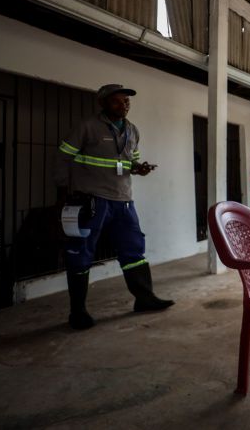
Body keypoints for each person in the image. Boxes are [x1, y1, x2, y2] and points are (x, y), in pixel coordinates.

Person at [55, 84, 174, 330]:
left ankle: (144, 298)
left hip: (123, 200)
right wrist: (63, 193)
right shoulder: (87, 126)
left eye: (127, 102)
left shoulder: (132, 131)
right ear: (103, 103)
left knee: (133, 250)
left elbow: (131, 162)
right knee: (81, 251)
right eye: (117, 102)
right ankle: (77, 312)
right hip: (91, 198)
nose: (124, 105)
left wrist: (140, 169)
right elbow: (63, 157)